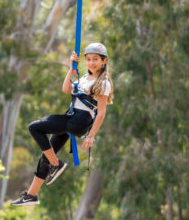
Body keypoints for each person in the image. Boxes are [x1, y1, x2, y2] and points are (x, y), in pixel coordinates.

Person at [11, 43, 113, 206]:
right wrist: (70, 68)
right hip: (71, 117)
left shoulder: (103, 83)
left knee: (34, 127)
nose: (92, 63)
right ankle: (31, 195)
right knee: (47, 154)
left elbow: (101, 113)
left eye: (95, 59)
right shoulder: (85, 78)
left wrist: (91, 136)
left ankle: (56, 164)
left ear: (104, 61)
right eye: (88, 60)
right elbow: (66, 89)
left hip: (79, 121)